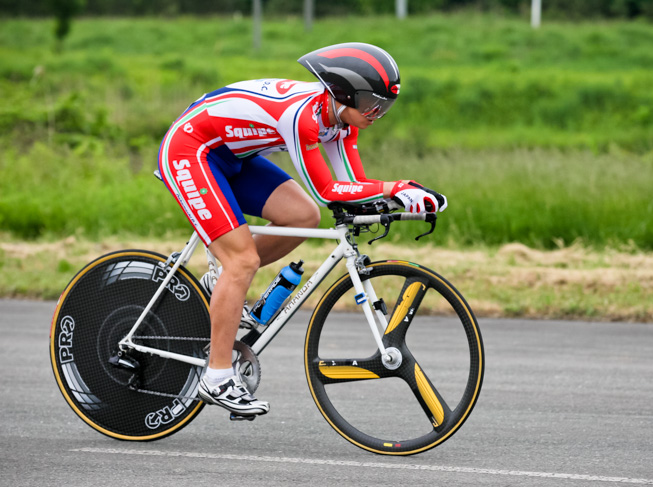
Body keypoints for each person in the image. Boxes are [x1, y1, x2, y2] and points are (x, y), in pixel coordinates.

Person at [157, 42, 447, 418]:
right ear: (344, 95)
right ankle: (216, 377)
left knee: (303, 218)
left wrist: (402, 200)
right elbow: (329, 191)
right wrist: (396, 187)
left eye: (385, 106)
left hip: (233, 155)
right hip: (191, 150)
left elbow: (352, 188)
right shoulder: (303, 118)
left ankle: (222, 286)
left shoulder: (341, 120)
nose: (378, 114)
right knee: (242, 260)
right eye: (373, 104)